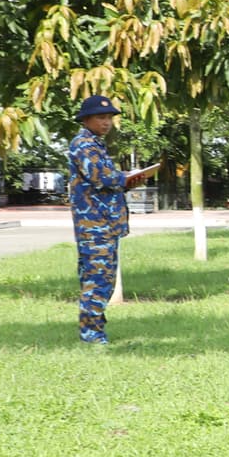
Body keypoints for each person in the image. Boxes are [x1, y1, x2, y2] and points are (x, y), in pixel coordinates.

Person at [67, 95, 153, 346]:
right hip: (94, 225)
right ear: (86, 119)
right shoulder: (83, 144)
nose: (107, 123)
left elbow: (103, 184)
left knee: (102, 279)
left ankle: (95, 331)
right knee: (97, 280)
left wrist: (129, 181)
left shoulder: (95, 144)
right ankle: (92, 336)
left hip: (104, 223)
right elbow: (100, 177)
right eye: (101, 118)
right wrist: (125, 177)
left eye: (109, 118)